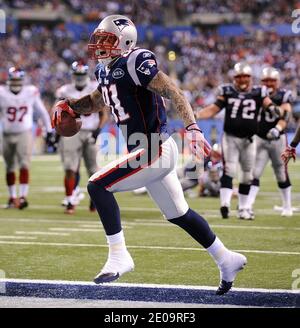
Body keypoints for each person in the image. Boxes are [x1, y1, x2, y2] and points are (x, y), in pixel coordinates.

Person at [52, 14, 247, 295]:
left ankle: (119, 254)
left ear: (125, 41)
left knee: (97, 184)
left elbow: (173, 91)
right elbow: (97, 100)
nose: (100, 45)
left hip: (154, 147)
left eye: (107, 39)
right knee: (178, 214)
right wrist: (70, 106)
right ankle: (226, 259)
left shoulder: (136, 61)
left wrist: (192, 127)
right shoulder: (105, 71)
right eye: (98, 39)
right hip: (143, 150)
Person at [196, 63, 284, 220]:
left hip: (249, 139)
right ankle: (225, 204)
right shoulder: (227, 91)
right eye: (239, 77)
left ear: (250, 78)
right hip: (230, 137)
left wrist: (275, 110)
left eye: (245, 76)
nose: (242, 79)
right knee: (229, 169)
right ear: (234, 78)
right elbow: (214, 108)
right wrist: (196, 115)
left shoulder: (259, 92)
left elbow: (269, 105)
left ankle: (243, 208)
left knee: (247, 175)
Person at [55, 61, 108, 214]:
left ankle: (95, 200)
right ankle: (71, 201)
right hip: (71, 132)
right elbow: (57, 112)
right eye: (77, 74)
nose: (79, 77)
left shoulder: (94, 88)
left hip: (91, 130)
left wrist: (98, 129)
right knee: (70, 168)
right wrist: (56, 131)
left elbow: (103, 113)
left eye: (81, 74)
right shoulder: (64, 90)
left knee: (93, 170)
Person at [0, 67, 53, 209]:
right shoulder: (2, 92)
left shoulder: (30, 92)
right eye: (14, 79)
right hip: (6, 134)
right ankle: (12, 198)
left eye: (18, 79)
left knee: (24, 164)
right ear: (9, 80)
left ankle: (22, 197)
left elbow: (42, 112)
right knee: (9, 167)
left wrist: (48, 130)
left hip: (24, 133)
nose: (16, 82)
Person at [246, 67, 293, 217]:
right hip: (259, 138)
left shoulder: (283, 95)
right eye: (266, 80)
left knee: (281, 172)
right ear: (261, 82)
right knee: (255, 172)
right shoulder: (256, 94)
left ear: (277, 81)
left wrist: (277, 128)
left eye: (272, 80)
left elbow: (286, 114)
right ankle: (247, 205)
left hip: (277, 139)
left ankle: (287, 206)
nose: (269, 83)